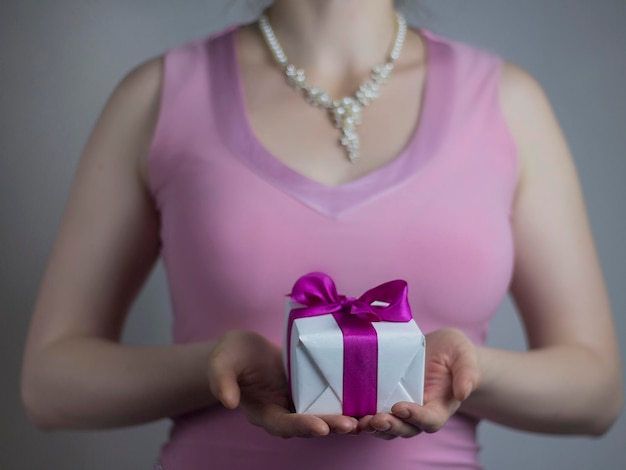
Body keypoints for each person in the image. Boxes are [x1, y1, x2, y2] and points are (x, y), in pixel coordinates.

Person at [20, 1, 622, 469]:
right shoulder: (156, 96)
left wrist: (466, 372)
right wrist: (213, 368)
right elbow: (50, 386)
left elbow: (596, 394)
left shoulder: (507, 103)